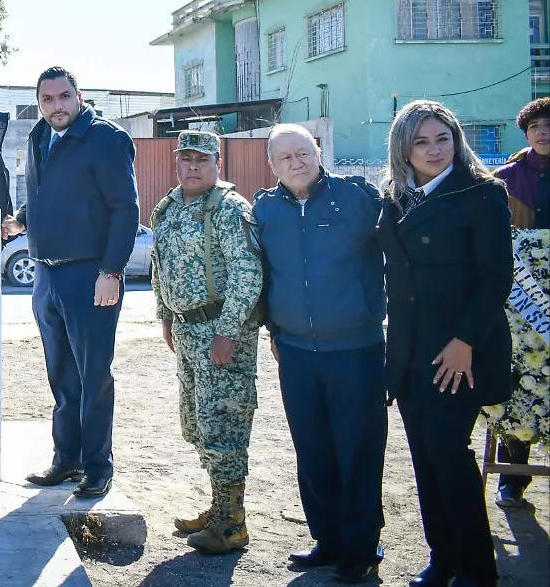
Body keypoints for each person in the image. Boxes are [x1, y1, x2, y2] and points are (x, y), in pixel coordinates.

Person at [376, 100, 512, 587]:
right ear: (403, 149)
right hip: (411, 351)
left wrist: (465, 341)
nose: (435, 150)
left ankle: (478, 569)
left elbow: (497, 278)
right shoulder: (394, 198)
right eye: (422, 141)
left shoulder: (481, 193)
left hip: (460, 352)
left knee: (447, 452)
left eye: (443, 138)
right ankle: (444, 559)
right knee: (424, 457)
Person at [253, 124, 386, 583]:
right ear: (271, 165)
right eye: (285, 156)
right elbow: (263, 276)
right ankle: (328, 539)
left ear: (318, 152)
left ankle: (361, 546)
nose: (296, 161)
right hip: (295, 352)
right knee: (312, 450)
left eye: (303, 152)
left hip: (356, 350)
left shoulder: (357, 199)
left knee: (358, 450)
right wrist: (273, 329)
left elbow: (399, 251)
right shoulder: (265, 210)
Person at [2, 67, 139, 500]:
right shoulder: (40, 136)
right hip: (45, 274)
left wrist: (111, 272)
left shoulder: (106, 138)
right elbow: (46, 195)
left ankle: (98, 467)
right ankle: (67, 460)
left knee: (93, 373)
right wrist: (20, 219)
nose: (56, 106)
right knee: (61, 376)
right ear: (39, 103)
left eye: (64, 97)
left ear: (78, 96)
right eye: (47, 99)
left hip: (90, 275)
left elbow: (125, 209)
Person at [149, 130, 262, 555]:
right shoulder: (170, 207)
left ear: (218, 163)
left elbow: (248, 274)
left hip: (221, 333)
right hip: (186, 330)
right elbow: (159, 266)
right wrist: (165, 316)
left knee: (224, 426)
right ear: (177, 163)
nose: (192, 166)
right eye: (186, 159)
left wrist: (228, 331)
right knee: (197, 425)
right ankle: (219, 508)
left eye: (202, 159)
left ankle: (232, 524)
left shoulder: (231, 209)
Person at [491, 96, 550, 508]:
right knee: (520, 381)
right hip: (521, 300)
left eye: (549, 125)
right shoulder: (505, 180)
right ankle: (512, 478)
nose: (544, 133)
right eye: (536, 127)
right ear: (525, 133)